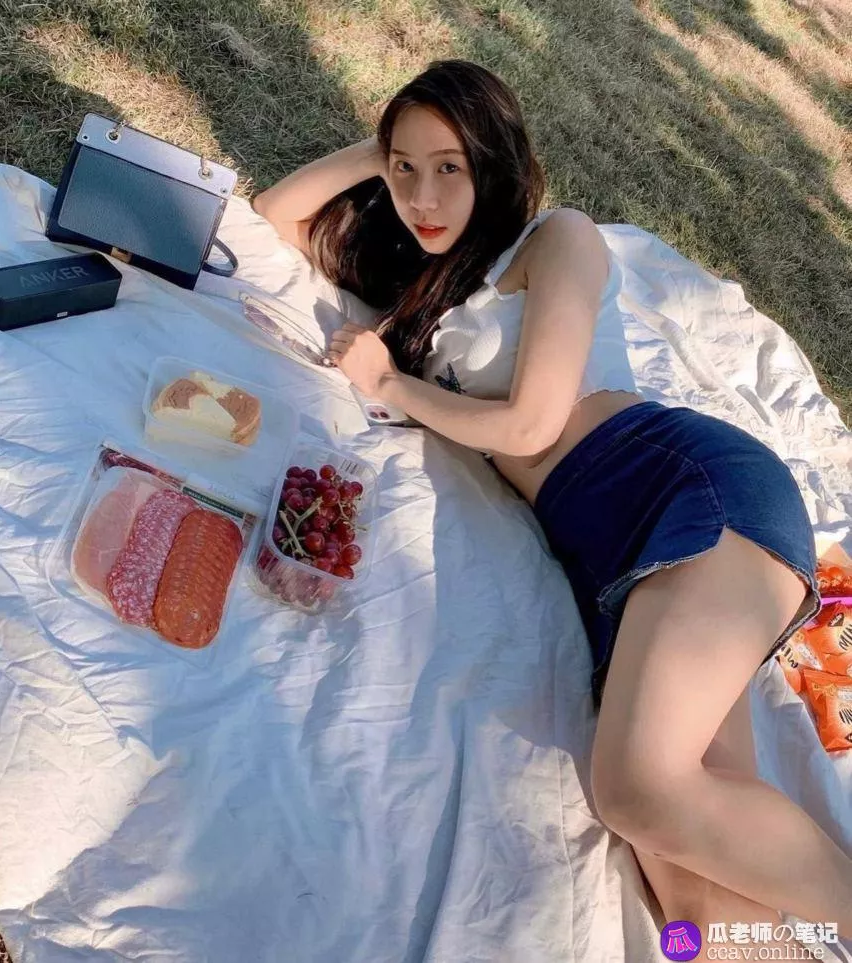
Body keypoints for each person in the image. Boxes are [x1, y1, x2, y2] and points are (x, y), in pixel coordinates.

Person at [252, 59, 852, 951]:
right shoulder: (418, 290)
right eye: (406, 169)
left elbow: (532, 423)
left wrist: (389, 384)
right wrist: (387, 151)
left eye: (450, 167)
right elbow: (275, 214)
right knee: (696, 911)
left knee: (638, 787)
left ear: (495, 161)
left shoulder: (554, 239)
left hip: (681, 491)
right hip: (610, 566)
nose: (423, 196)